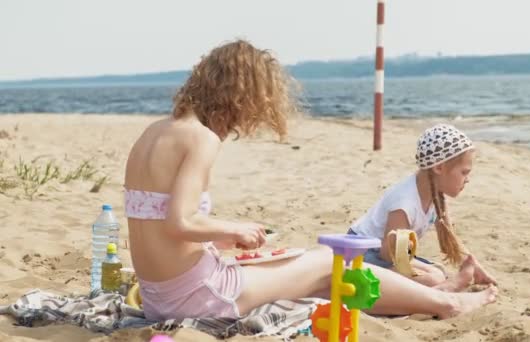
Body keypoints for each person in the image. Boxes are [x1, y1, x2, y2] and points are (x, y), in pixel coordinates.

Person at [123, 39, 498, 322]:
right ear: (239, 96)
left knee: (317, 269)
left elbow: (157, 223)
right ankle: (447, 302)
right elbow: (182, 221)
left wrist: (223, 238)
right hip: (199, 296)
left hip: (160, 296)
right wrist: (236, 226)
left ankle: (436, 295)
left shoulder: (154, 133)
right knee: (332, 264)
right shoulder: (200, 138)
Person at [347, 124, 498, 291]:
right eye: (464, 172)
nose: (467, 179)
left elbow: (450, 241)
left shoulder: (436, 195)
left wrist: (473, 265)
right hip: (363, 254)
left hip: (388, 256)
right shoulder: (404, 203)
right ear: (439, 167)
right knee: (433, 279)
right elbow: (387, 256)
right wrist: (408, 259)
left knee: (438, 272)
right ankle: (443, 290)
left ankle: (439, 287)